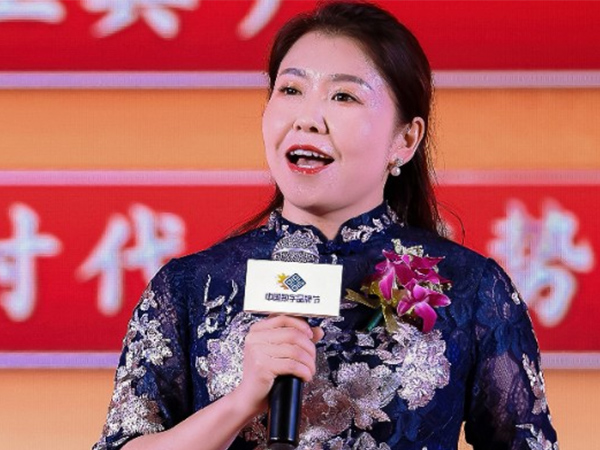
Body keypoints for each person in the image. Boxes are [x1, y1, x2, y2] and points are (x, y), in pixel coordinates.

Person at [93, 1, 558, 449]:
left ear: (405, 138)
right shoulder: (189, 287)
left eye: (343, 96)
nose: (307, 119)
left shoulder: (472, 288)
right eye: (291, 90)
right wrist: (239, 403)